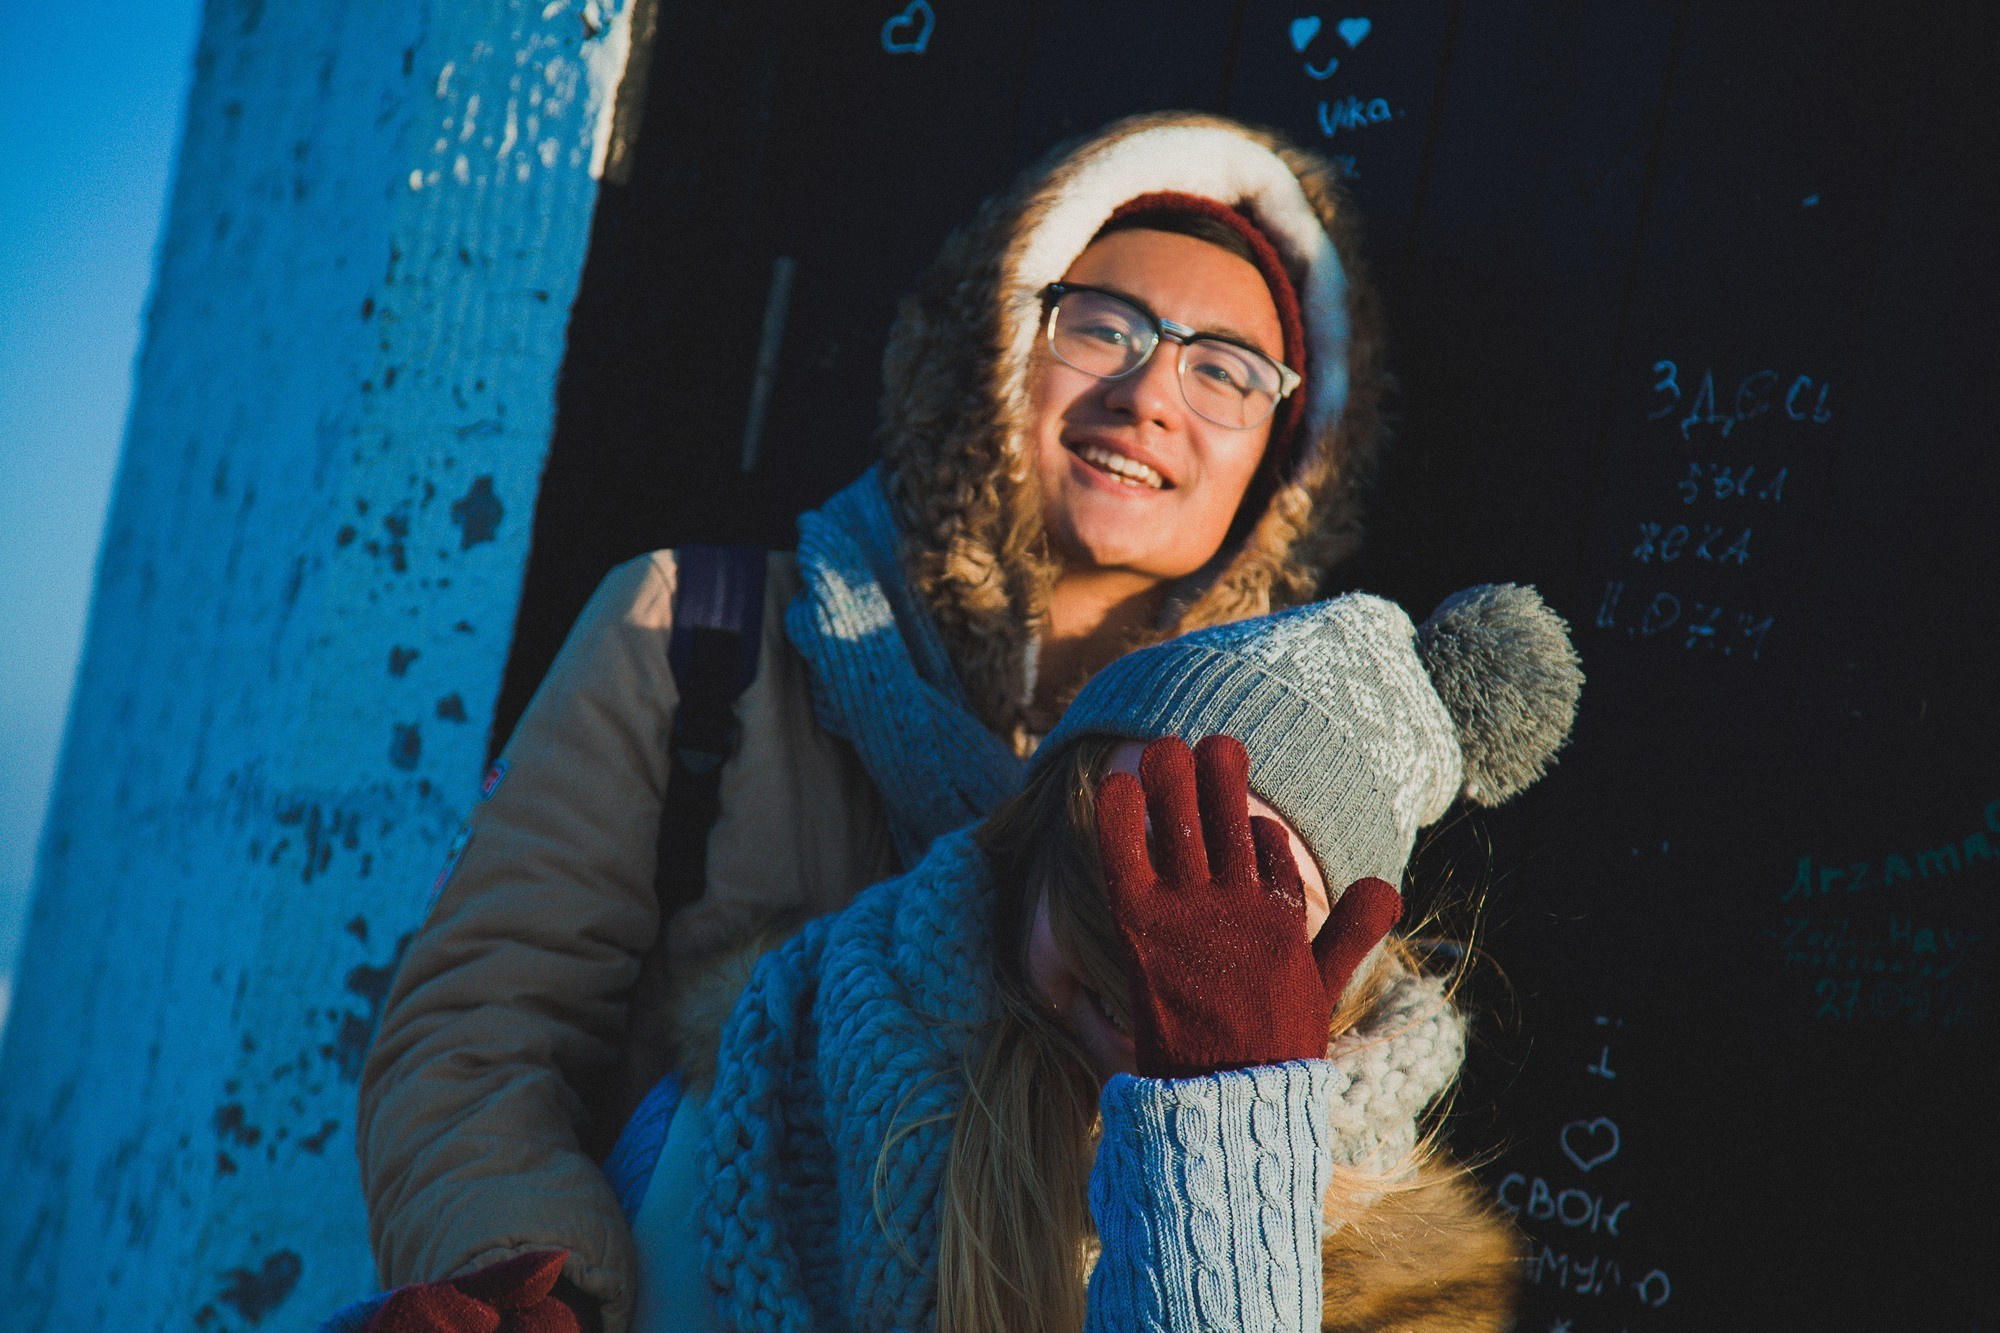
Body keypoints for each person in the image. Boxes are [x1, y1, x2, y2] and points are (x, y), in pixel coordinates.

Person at [356, 110, 1388, 1330]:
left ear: (1287, 456)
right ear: (994, 343)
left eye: (1224, 368)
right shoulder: (694, 635)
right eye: (1101, 325)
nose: (1151, 394)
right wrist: (533, 1280)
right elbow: (477, 1029)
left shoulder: (1282, 776)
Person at [625, 584, 1584, 1331]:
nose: (1157, 949)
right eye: (1127, 858)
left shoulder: (1398, 1290)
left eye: (1254, 908)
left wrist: (1229, 1128)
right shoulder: (751, 1095)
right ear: (1028, 854)